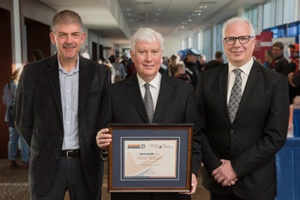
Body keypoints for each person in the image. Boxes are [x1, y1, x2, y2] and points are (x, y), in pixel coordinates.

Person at [14, 10, 111, 199]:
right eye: (63, 34)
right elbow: (22, 120)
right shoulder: (33, 73)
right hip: (46, 164)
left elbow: (105, 118)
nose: (69, 41)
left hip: (87, 163)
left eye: (75, 34)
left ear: (82, 38)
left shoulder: (100, 73)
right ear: (53, 37)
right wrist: (43, 146)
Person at [96, 27, 202, 200]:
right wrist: (103, 145)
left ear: (161, 54)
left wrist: (191, 172)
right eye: (142, 52)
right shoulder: (114, 93)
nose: (149, 58)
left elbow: (195, 138)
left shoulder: (184, 91)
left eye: (154, 52)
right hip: (130, 191)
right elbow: (105, 138)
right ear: (132, 54)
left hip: (173, 189)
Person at [196, 17, 289, 200]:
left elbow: (276, 136)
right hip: (219, 181)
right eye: (230, 39)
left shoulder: (274, 82)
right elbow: (198, 128)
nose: (237, 44)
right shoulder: (207, 79)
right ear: (224, 44)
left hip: (257, 184)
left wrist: (236, 167)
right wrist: (216, 167)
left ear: (253, 42)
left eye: (243, 38)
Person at [2, 67, 30, 169]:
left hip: (10, 116)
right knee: (23, 139)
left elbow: (5, 101)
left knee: (12, 139)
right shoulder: (22, 85)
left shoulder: (7, 86)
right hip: (22, 116)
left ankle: (11, 161)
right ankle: (25, 161)